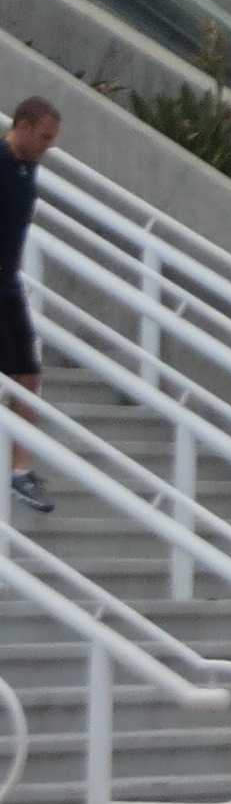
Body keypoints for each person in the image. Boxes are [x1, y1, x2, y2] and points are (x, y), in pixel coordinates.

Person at [0, 97, 52, 513]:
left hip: (8, 282)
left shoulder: (28, 168)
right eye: (44, 137)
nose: (47, 147)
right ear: (23, 125)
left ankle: (20, 472)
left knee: (29, 375)